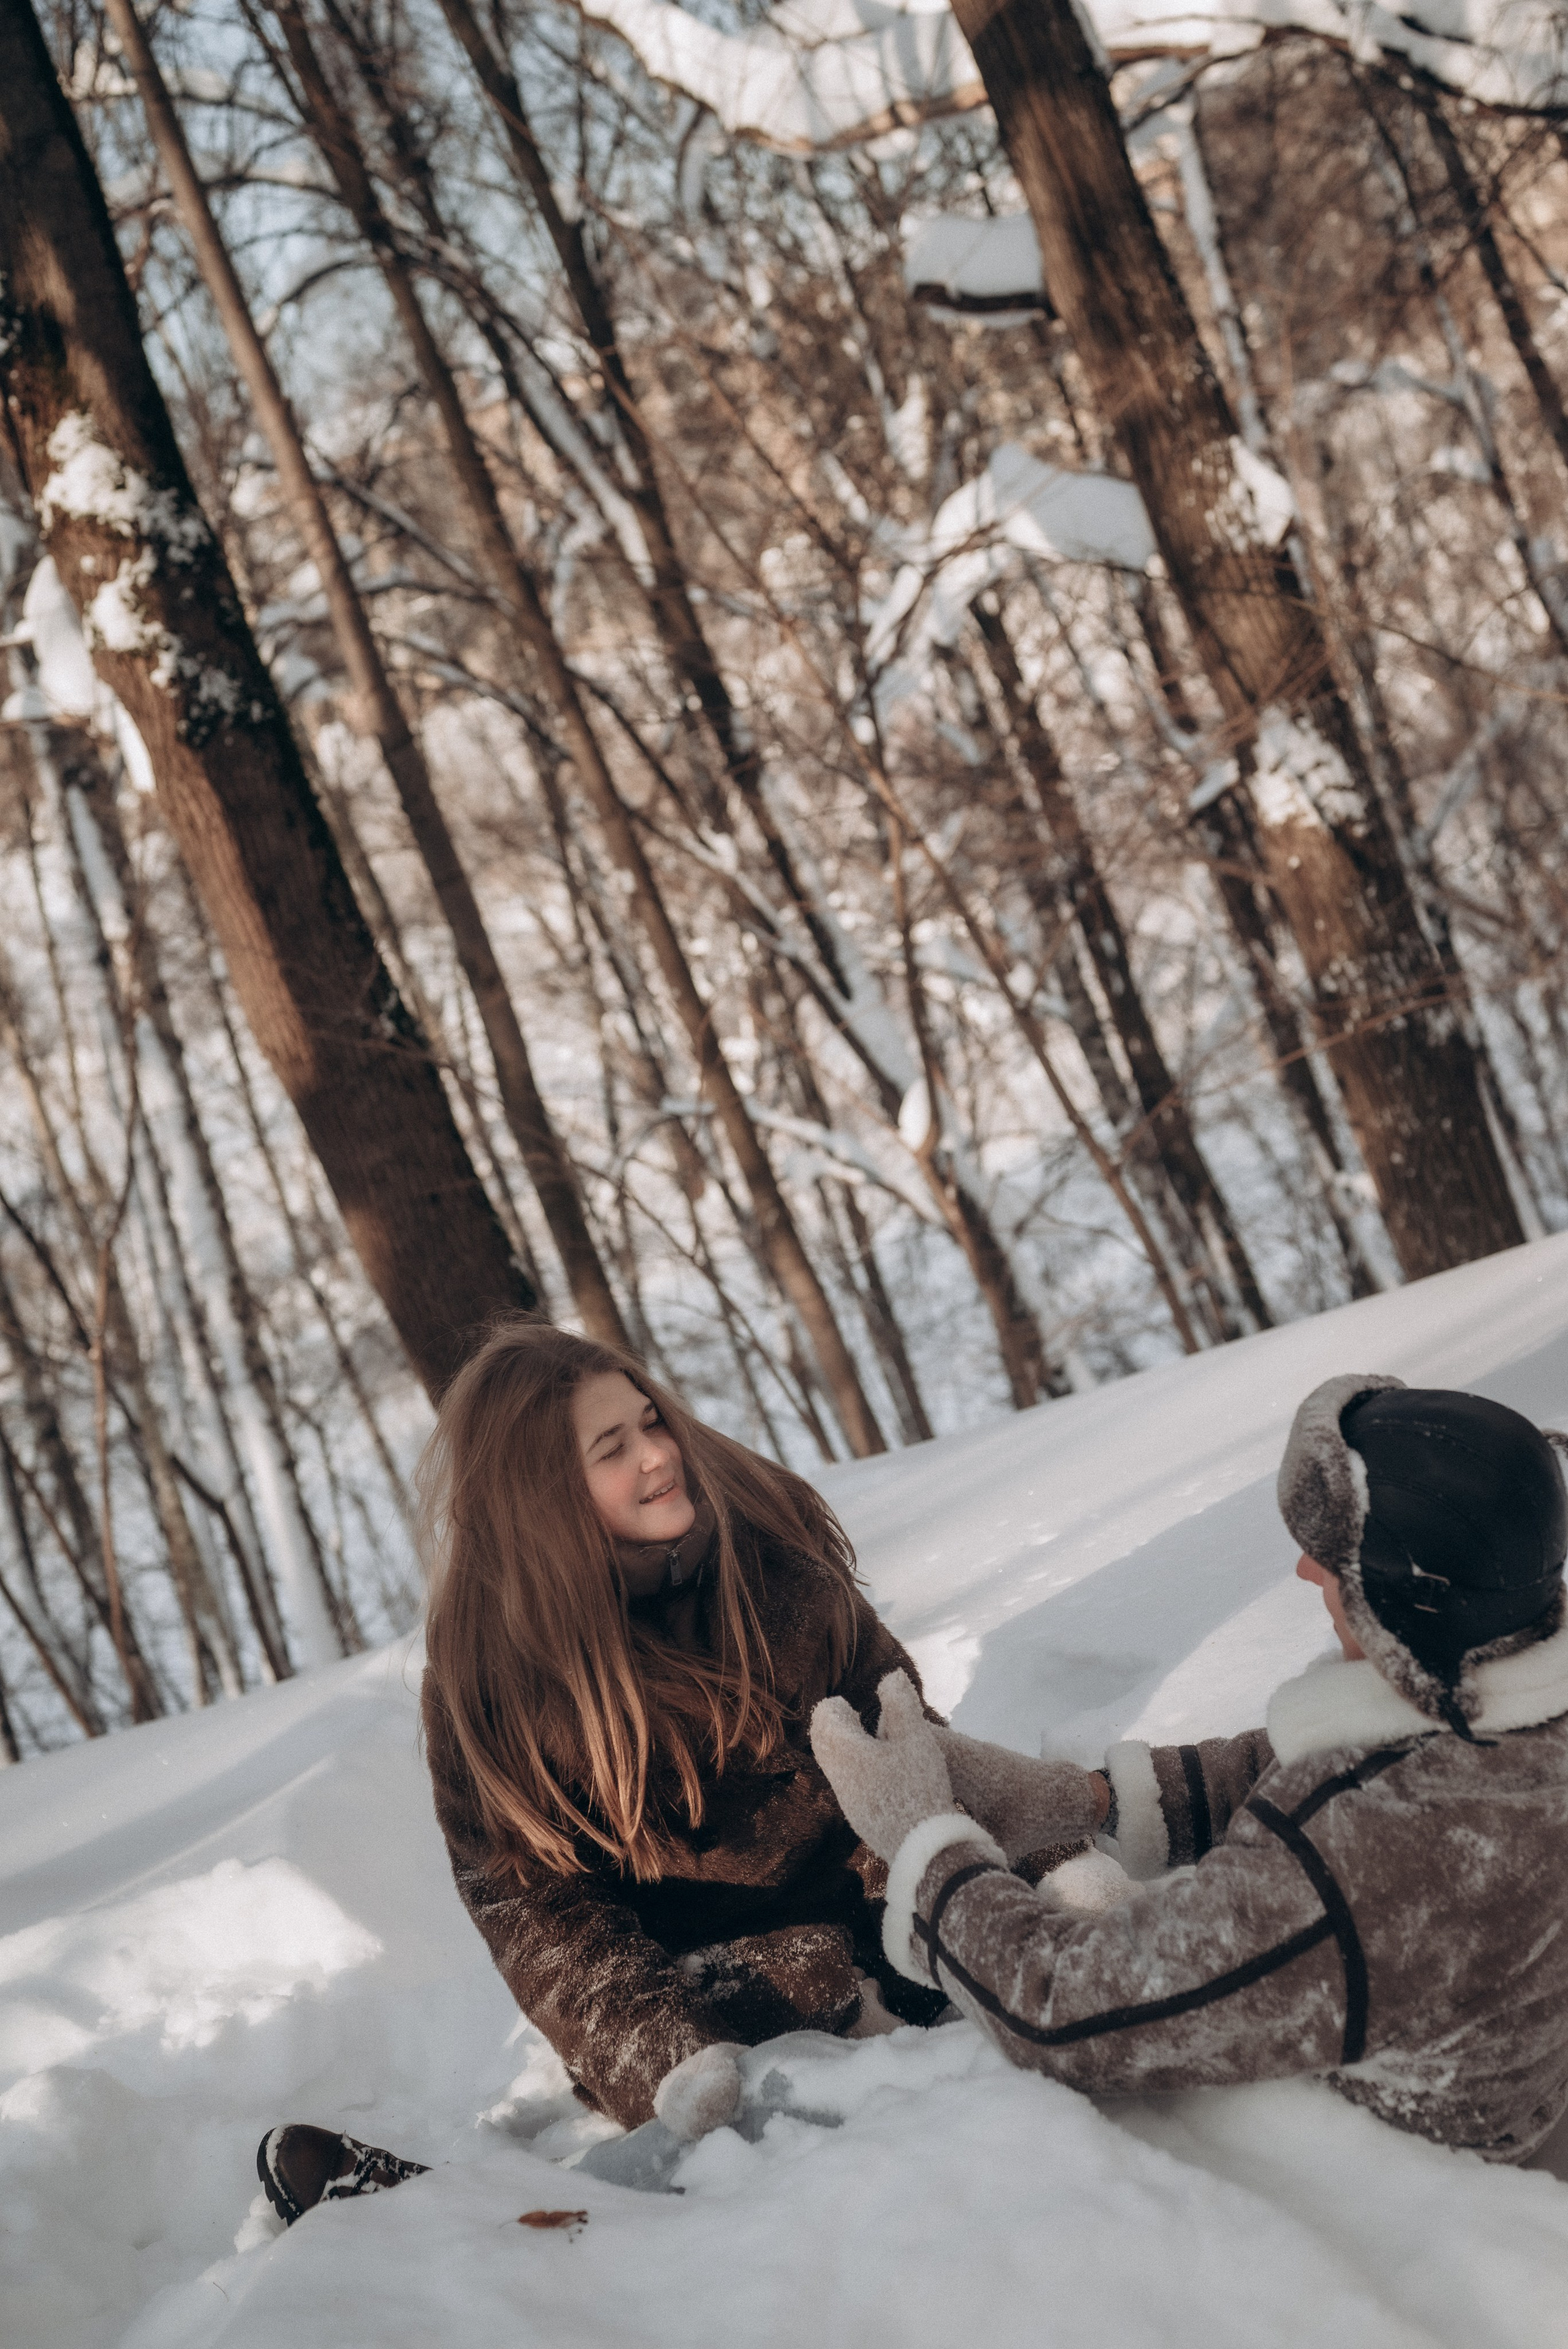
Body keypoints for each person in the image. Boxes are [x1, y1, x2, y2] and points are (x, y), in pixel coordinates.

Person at [259, 1324, 1078, 2223]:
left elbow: (914, 1759)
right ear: (541, 1497)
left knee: (1012, 1964)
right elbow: (539, 1914)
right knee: (745, 2124)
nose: (657, 1456)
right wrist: (671, 2059)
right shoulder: (491, 1685)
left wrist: (1045, 1867)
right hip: (707, 1996)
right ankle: (455, 2219)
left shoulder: (777, 1570)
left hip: (890, 1918)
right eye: (613, 1448)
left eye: (652, 1422)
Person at [811, 1376, 1568, 2162]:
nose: (1306, 1573)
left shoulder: (1372, 1860)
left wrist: (928, 1847)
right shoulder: (1511, 1712)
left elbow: (1060, 2009)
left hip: (1381, 2193)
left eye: (1336, 1559)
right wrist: (1086, 1799)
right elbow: (1326, 1761)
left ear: (1405, 1602)